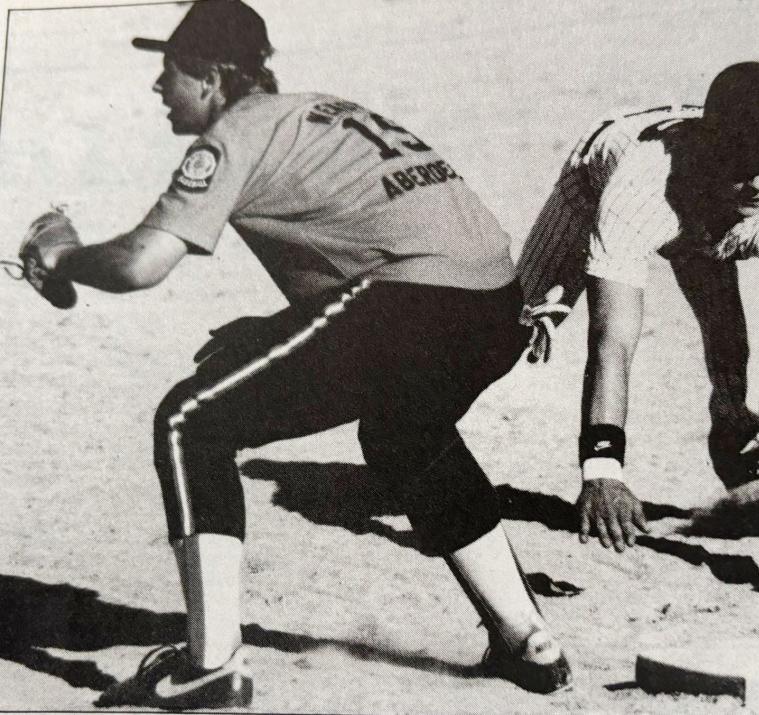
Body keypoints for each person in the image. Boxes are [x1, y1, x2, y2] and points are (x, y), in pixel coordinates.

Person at [27, 1, 571, 708]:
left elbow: (138, 264)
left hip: (411, 304)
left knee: (190, 419)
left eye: (171, 73)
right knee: (406, 432)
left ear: (216, 76)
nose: (159, 88)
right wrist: (284, 329)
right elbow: (381, 237)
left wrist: (62, 253)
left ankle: (210, 665)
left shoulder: (234, 132)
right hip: (496, 304)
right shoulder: (320, 109)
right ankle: (528, 638)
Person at [517, 62, 759, 562]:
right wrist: (603, 470)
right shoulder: (641, 184)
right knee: (511, 329)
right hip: (604, 184)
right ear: (716, 147)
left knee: (755, 398)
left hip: (724, 233)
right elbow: (613, 339)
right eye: (745, 160)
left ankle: (739, 454)